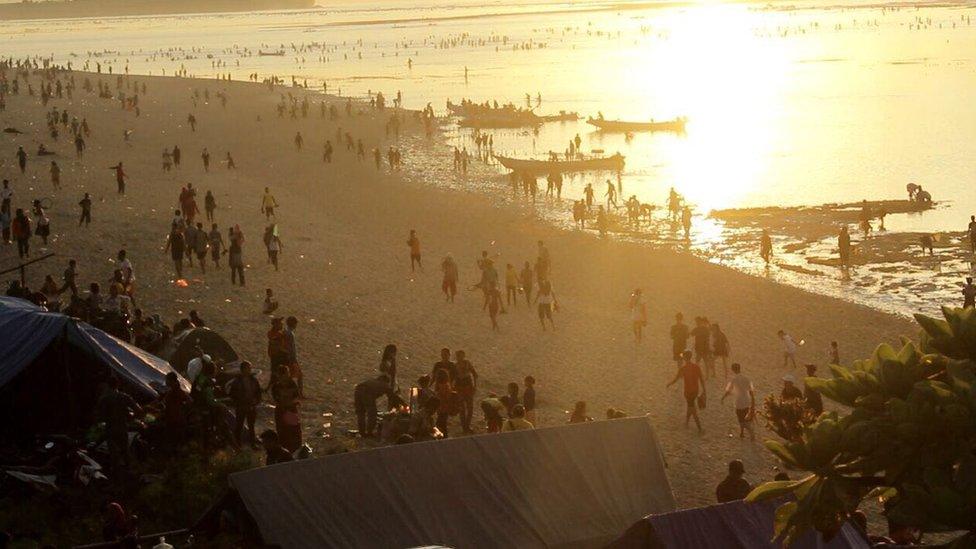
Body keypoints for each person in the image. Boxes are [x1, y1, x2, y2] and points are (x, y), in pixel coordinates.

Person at [96, 377, 142, 473]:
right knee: (125, 451)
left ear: (108, 385)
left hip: (110, 429)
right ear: (118, 385)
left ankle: (117, 475)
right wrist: (130, 417)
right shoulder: (124, 397)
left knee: (113, 454)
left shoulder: (103, 399)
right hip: (122, 427)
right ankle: (129, 473)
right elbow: (138, 410)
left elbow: (99, 417)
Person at [667, 350, 705, 433]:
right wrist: (704, 391)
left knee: (692, 409)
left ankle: (699, 428)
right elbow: (701, 379)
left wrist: (669, 384)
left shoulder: (683, 369)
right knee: (690, 406)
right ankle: (687, 423)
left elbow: (676, 379)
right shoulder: (696, 367)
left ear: (684, 358)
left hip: (688, 392)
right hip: (695, 391)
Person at [228, 361, 262, 448]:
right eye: (248, 368)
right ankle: (237, 444)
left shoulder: (253, 380)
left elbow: (258, 393)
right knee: (239, 425)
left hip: (251, 406)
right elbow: (232, 394)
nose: (250, 370)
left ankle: (252, 444)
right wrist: (239, 402)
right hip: (241, 406)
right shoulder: (236, 382)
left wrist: (256, 401)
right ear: (243, 369)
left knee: (251, 425)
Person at [271, 365, 302, 452]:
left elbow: (296, 396)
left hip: (290, 410)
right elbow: (276, 400)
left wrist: (292, 402)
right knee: (282, 431)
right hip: (282, 410)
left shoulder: (292, 384)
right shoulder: (276, 387)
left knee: (294, 431)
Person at [721, 363, 755, 440]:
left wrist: (723, 398)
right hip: (746, 401)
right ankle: (742, 433)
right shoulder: (746, 378)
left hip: (738, 402)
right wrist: (753, 401)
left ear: (733, 370)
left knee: (741, 419)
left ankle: (748, 431)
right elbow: (751, 391)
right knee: (746, 418)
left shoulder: (734, 379)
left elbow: (728, 391)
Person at [454, 350, 478, 433]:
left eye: (460, 356)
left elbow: (475, 374)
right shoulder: (455, 365)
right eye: (458, 356)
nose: (459, 358)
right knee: (462, 409)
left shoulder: (467, 363)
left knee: (470, 408)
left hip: (468, 387)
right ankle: (465, 427)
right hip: (459, 388)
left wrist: (475, 386)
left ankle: (467, 425)